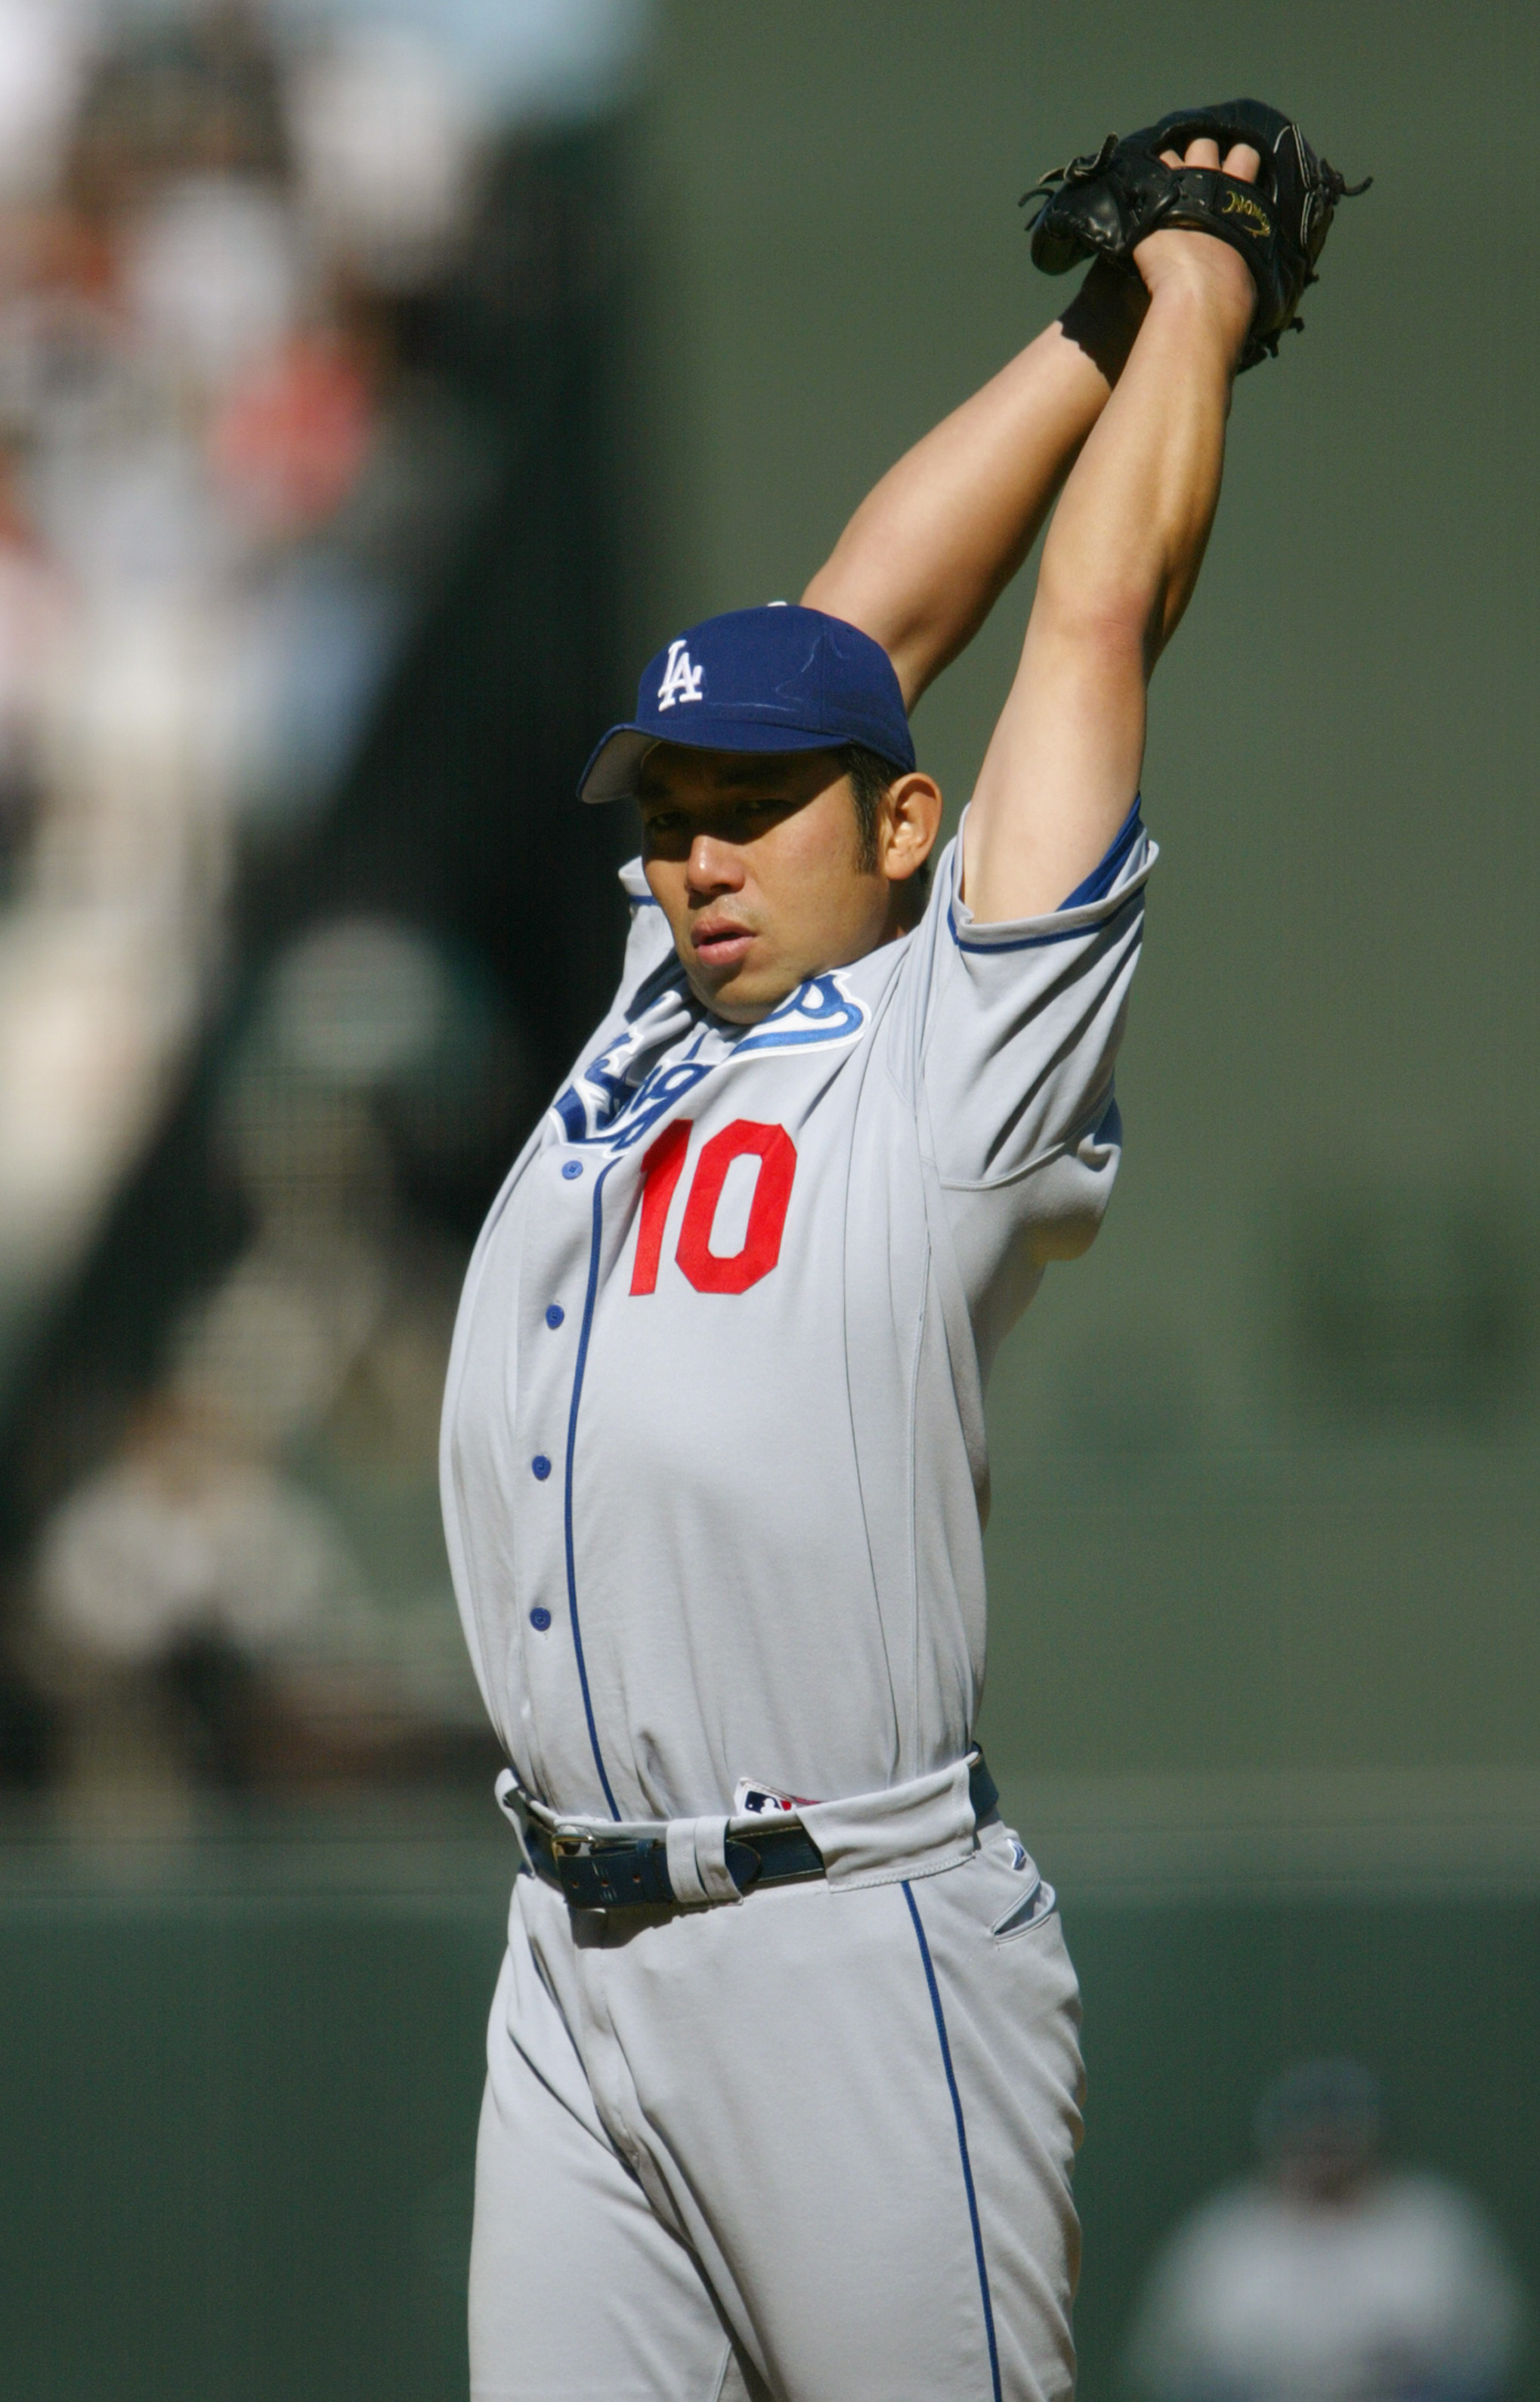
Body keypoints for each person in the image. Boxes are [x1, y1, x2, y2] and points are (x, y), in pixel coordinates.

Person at [442, 119, 1291, 2402]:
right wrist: (1080, 328)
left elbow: (1089, 617)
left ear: (895, 824)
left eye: (749, 813)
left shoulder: (957, 1045)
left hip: (844, 1936)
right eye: (669, 815)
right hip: (569, 1946)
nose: (697, 855)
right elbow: (849, 626)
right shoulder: (663, 998)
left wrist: (1202, 285)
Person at [1126, 2061, 1526, 2402]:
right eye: (1309, 2137)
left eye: (1336, 2136)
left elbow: (1489, 2347)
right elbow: (1170, 2363)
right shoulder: (1223, 2237)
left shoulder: (1433, 2223)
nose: (1323, 2151)